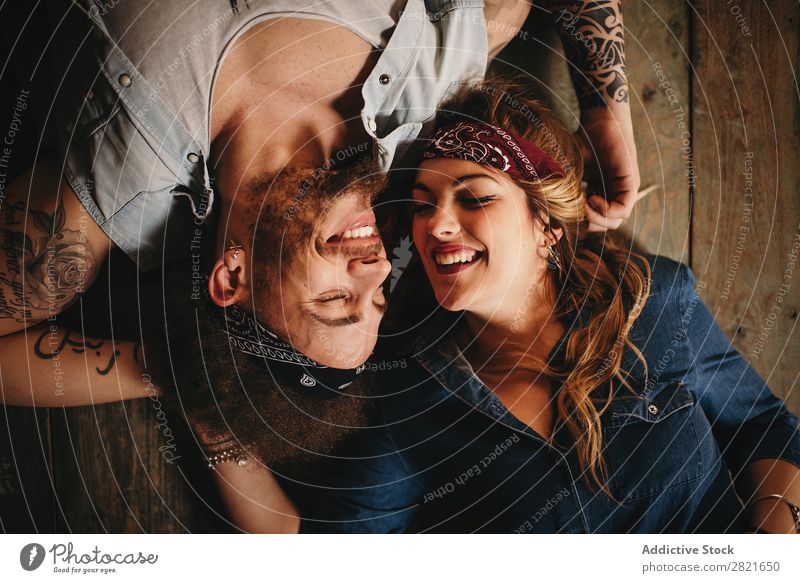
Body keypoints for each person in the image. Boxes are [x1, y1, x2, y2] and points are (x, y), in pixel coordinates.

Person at [0, 0, 642, 531]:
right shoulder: (423, 80)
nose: (373, 272)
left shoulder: (121, 183)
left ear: (232, 276)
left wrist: (174, 371)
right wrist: (607, 108)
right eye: (379, 298)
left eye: (336, 302)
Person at [296, 79, 800, 533]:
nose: (435, 225)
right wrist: (219, 435)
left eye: (474, 198)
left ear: (548, 227)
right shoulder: (415, 397)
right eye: (424, 203)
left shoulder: (653, 302)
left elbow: (762, 425)